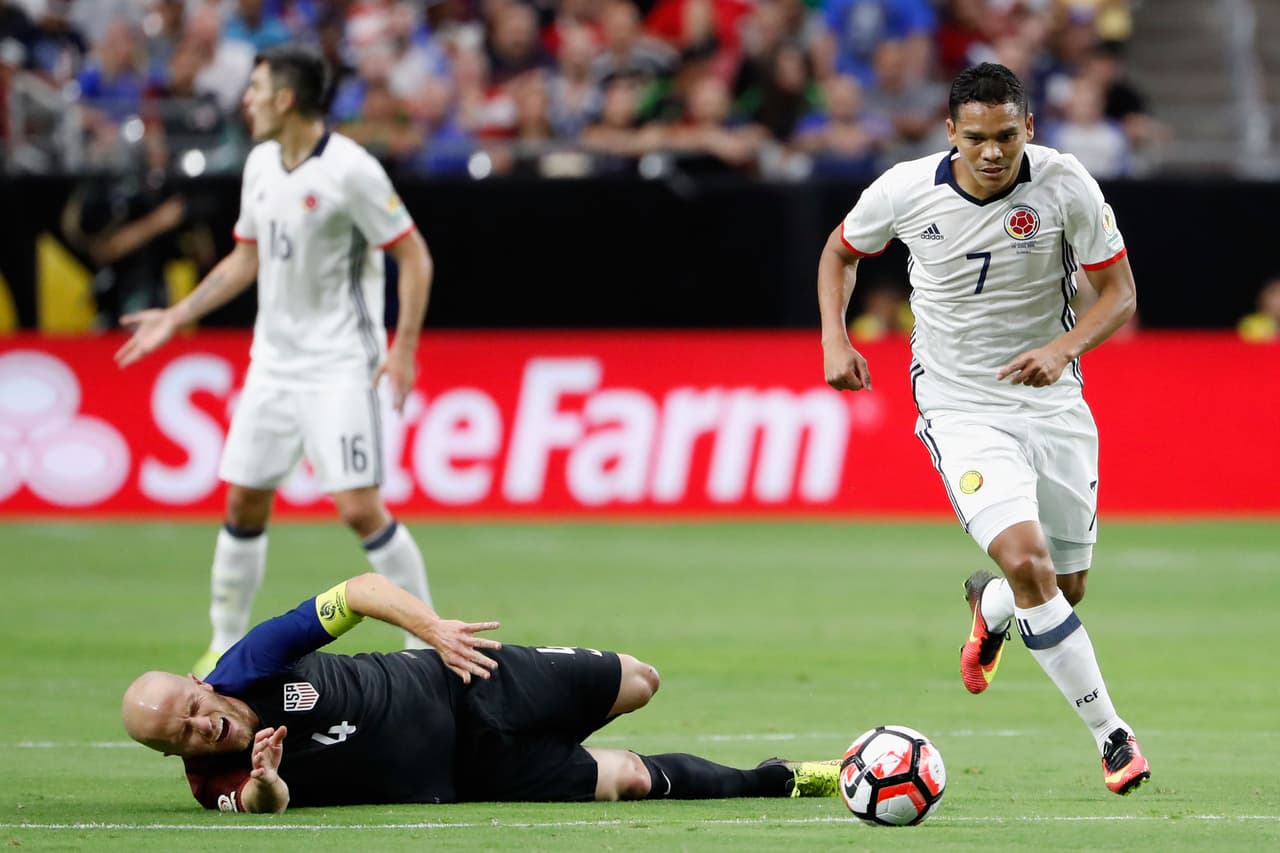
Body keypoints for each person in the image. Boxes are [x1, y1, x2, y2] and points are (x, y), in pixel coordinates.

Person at [816, 62, 1150, 796]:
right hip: (960, 406)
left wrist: (1062, 349)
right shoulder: (905, 189)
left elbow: (1119, 293)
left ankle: (990, 606)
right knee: (1029, 563)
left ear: (1028, 126)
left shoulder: (1065, 184)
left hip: (1053, 402)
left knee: (1064, 586)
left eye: (1005, 135)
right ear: (951, 133)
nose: (992, 152)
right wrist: (835, 338)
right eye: (975, 139)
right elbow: (840, 251)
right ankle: (1112, 735)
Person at [115, 44, 438, 677]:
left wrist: (403, 348)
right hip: (273, 364)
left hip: (340, 363)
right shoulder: (261, 162)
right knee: (243, 502)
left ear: (285, 99)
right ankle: (222, 643)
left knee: (358, 509)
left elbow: (415, 256)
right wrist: (178, 314)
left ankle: (425, 643)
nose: (246, 99)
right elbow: (246, 257)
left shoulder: (352, 171)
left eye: (256, 88)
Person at [121, 572, 841, 812]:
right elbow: (260, 807)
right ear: (171, 754)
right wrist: (266, 780)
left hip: (462, 681)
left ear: (199, 683)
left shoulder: (251, 661)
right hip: (468, 774)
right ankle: (781, 778)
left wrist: (433, 629)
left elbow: (359, 591)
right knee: (626, 778)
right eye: (181, 736)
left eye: (194, 709)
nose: (201, 727)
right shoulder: (215, 779)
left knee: (640, 680)